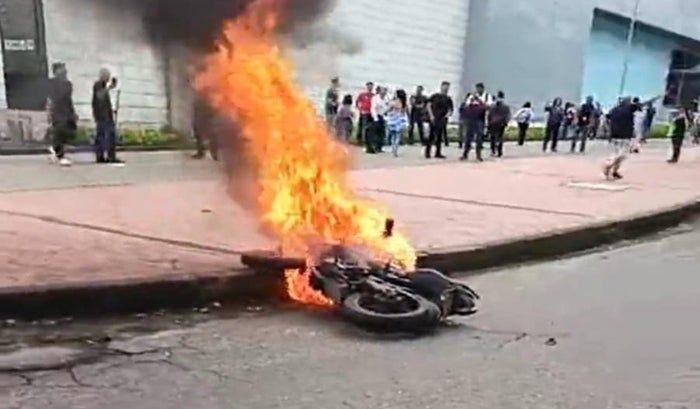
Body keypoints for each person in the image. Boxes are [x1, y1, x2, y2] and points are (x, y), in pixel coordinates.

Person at [604, 95, 660, 179]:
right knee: (621, 154)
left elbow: (607, 118)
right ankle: (608, 165)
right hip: (623, 135)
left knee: (619, 154)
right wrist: (655, 98)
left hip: (616, 134)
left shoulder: (614, 109)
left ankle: (614, 171)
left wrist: (608, 130)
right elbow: (643, 104)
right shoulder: (629, 108)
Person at [47, 62, 78, 166]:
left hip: (66, 111)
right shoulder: (52, 83)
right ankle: (60, 155)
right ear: (55, 71)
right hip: (58, 111)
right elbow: (53, 98)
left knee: (66, 132)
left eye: (64, 69)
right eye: (61, 69)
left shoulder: (68, 84)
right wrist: (49, 111)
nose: (64, 71)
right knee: (59, 131)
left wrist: (73, 113)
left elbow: (69, 100)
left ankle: (55, 150)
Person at [92, 68, 123, 164]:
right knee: (102, 136)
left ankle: (110, 156)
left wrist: (112, 85)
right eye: (107, 76)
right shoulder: (98, 85)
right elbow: (100, 96)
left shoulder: (103, 86)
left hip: (107, 115)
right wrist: (109, 88)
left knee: (110, 135)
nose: (108, 78)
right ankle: (101, 156)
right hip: (101, 116)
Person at [460, 83, 491, 161]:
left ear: (483, 89)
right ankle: (465, 154)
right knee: (468, 137)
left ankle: (478, 155)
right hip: (471, 118)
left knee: (479, 138)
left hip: (480, 119)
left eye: (480, 88)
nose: (478, 90)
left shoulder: (487, 96)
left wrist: (479, 100)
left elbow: (489, 106)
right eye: (477, 88)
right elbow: (466, 105)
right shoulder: (472, 96)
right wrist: (472, 100)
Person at [426, 81, 453, 159]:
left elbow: (450, 110)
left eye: (447, 88)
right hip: (434, 117)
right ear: (441, 87)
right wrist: (431, 115)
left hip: (442, 119)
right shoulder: (435, 96)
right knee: (431, 136)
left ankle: (438, 152)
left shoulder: (448, 99)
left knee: (439, 136)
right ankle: (427, 152)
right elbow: (428, 105)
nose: (446, 89)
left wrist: (447, 116)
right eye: (444, 87)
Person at [487, 91, 511, 157]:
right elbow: (508, 115)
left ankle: (493, 151)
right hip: (501, 123)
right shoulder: (505, 106)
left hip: (493, 123)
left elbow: (489, 115)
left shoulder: (493, 106)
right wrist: (506, 122)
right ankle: (499, 151)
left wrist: (488, 123)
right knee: (499, 138)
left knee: (492, 137)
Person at [367, 86, 390, 154]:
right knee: (374, 132)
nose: (383, 93)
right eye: (382, 92)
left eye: (385, 92)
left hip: (382, 116)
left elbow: (386, 108)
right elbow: (373, 108)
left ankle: (379, 147)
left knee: (382, 132)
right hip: (375, 116)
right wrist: (375, 118)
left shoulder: (386, 99)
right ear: (380, 92)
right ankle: (373, 147)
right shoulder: (375, 98)